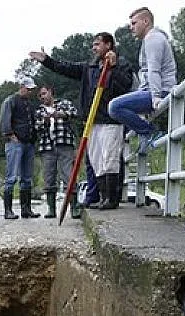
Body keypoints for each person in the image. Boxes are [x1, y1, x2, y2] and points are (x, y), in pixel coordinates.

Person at [30, 32, 133, 210]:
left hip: (111, 119)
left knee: (110, 158)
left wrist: (113, 68)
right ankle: (102, 197)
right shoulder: (89, 67)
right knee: (96, 160)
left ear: (108, 45)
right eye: (93, 45)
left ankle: (112, 198)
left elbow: (126, 85)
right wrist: (47, 60)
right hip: (91, 120)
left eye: (97, 44)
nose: (93, 48)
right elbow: (66, 68)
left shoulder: (122, 64)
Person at [107, 7, 177, 154]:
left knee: (114, 107)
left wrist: (156, 96)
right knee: (120, 108)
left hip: (160, 91)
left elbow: (154, 69)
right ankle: (145, 134)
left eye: (134, 23)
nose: (131, 28)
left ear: (146, 21)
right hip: (152, 90)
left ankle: (149, 131)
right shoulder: (151, 39)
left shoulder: (153, 38)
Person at [34, 83, 81, 219]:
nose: (42, 97)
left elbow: (75, 113)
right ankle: (51, 209)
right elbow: (36, 127)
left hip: (65, 143)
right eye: (40, 95)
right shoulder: (39, 111)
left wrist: (61, 114)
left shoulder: (64, 103)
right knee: (49, 177)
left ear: (50, 92)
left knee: (68, 175)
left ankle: (74, 208)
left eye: (44, 93)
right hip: (47, 146)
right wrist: (45, 122)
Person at [0, 76, 40, 219]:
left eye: (31, 89)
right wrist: (9, 134)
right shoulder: (10, 100)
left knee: (27, 178)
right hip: (15, 142)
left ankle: (26, 209)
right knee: (11, 177)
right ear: (21, 87)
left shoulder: (29, 103)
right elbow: (4, 119)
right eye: (28, 89)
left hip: (28, 142)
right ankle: (8, 211)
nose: (30, 92)